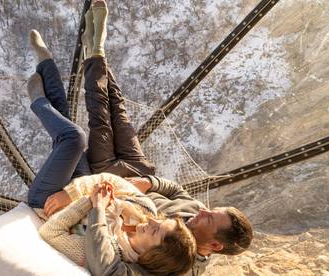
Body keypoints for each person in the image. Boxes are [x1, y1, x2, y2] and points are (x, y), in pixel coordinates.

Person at [44, 0, 254, 275]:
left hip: (112, 179)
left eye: (209, 218)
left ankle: (94, 50)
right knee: (119, 111)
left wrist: (96, 208)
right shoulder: (194, 209)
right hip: (138, 172)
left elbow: (112, 267)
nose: (203, 210)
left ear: (213, 244)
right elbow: (174, 190)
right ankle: (97, 51)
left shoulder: (180, 263)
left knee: (100, 117)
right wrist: (149, 182)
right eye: (212, 210)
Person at [26, 19, 196, 275]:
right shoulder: (145, 210)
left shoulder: (104, 250)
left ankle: (38, 101)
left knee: (73, 138)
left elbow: (51, 232)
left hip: (47, 201)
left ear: (153, 254)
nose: (151, 220)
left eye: (155, 230)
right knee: (67, 129)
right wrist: (81, 194)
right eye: (160, 221)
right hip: (79, 187)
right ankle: (46, 64)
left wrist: (94, 206)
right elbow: (106, 179)